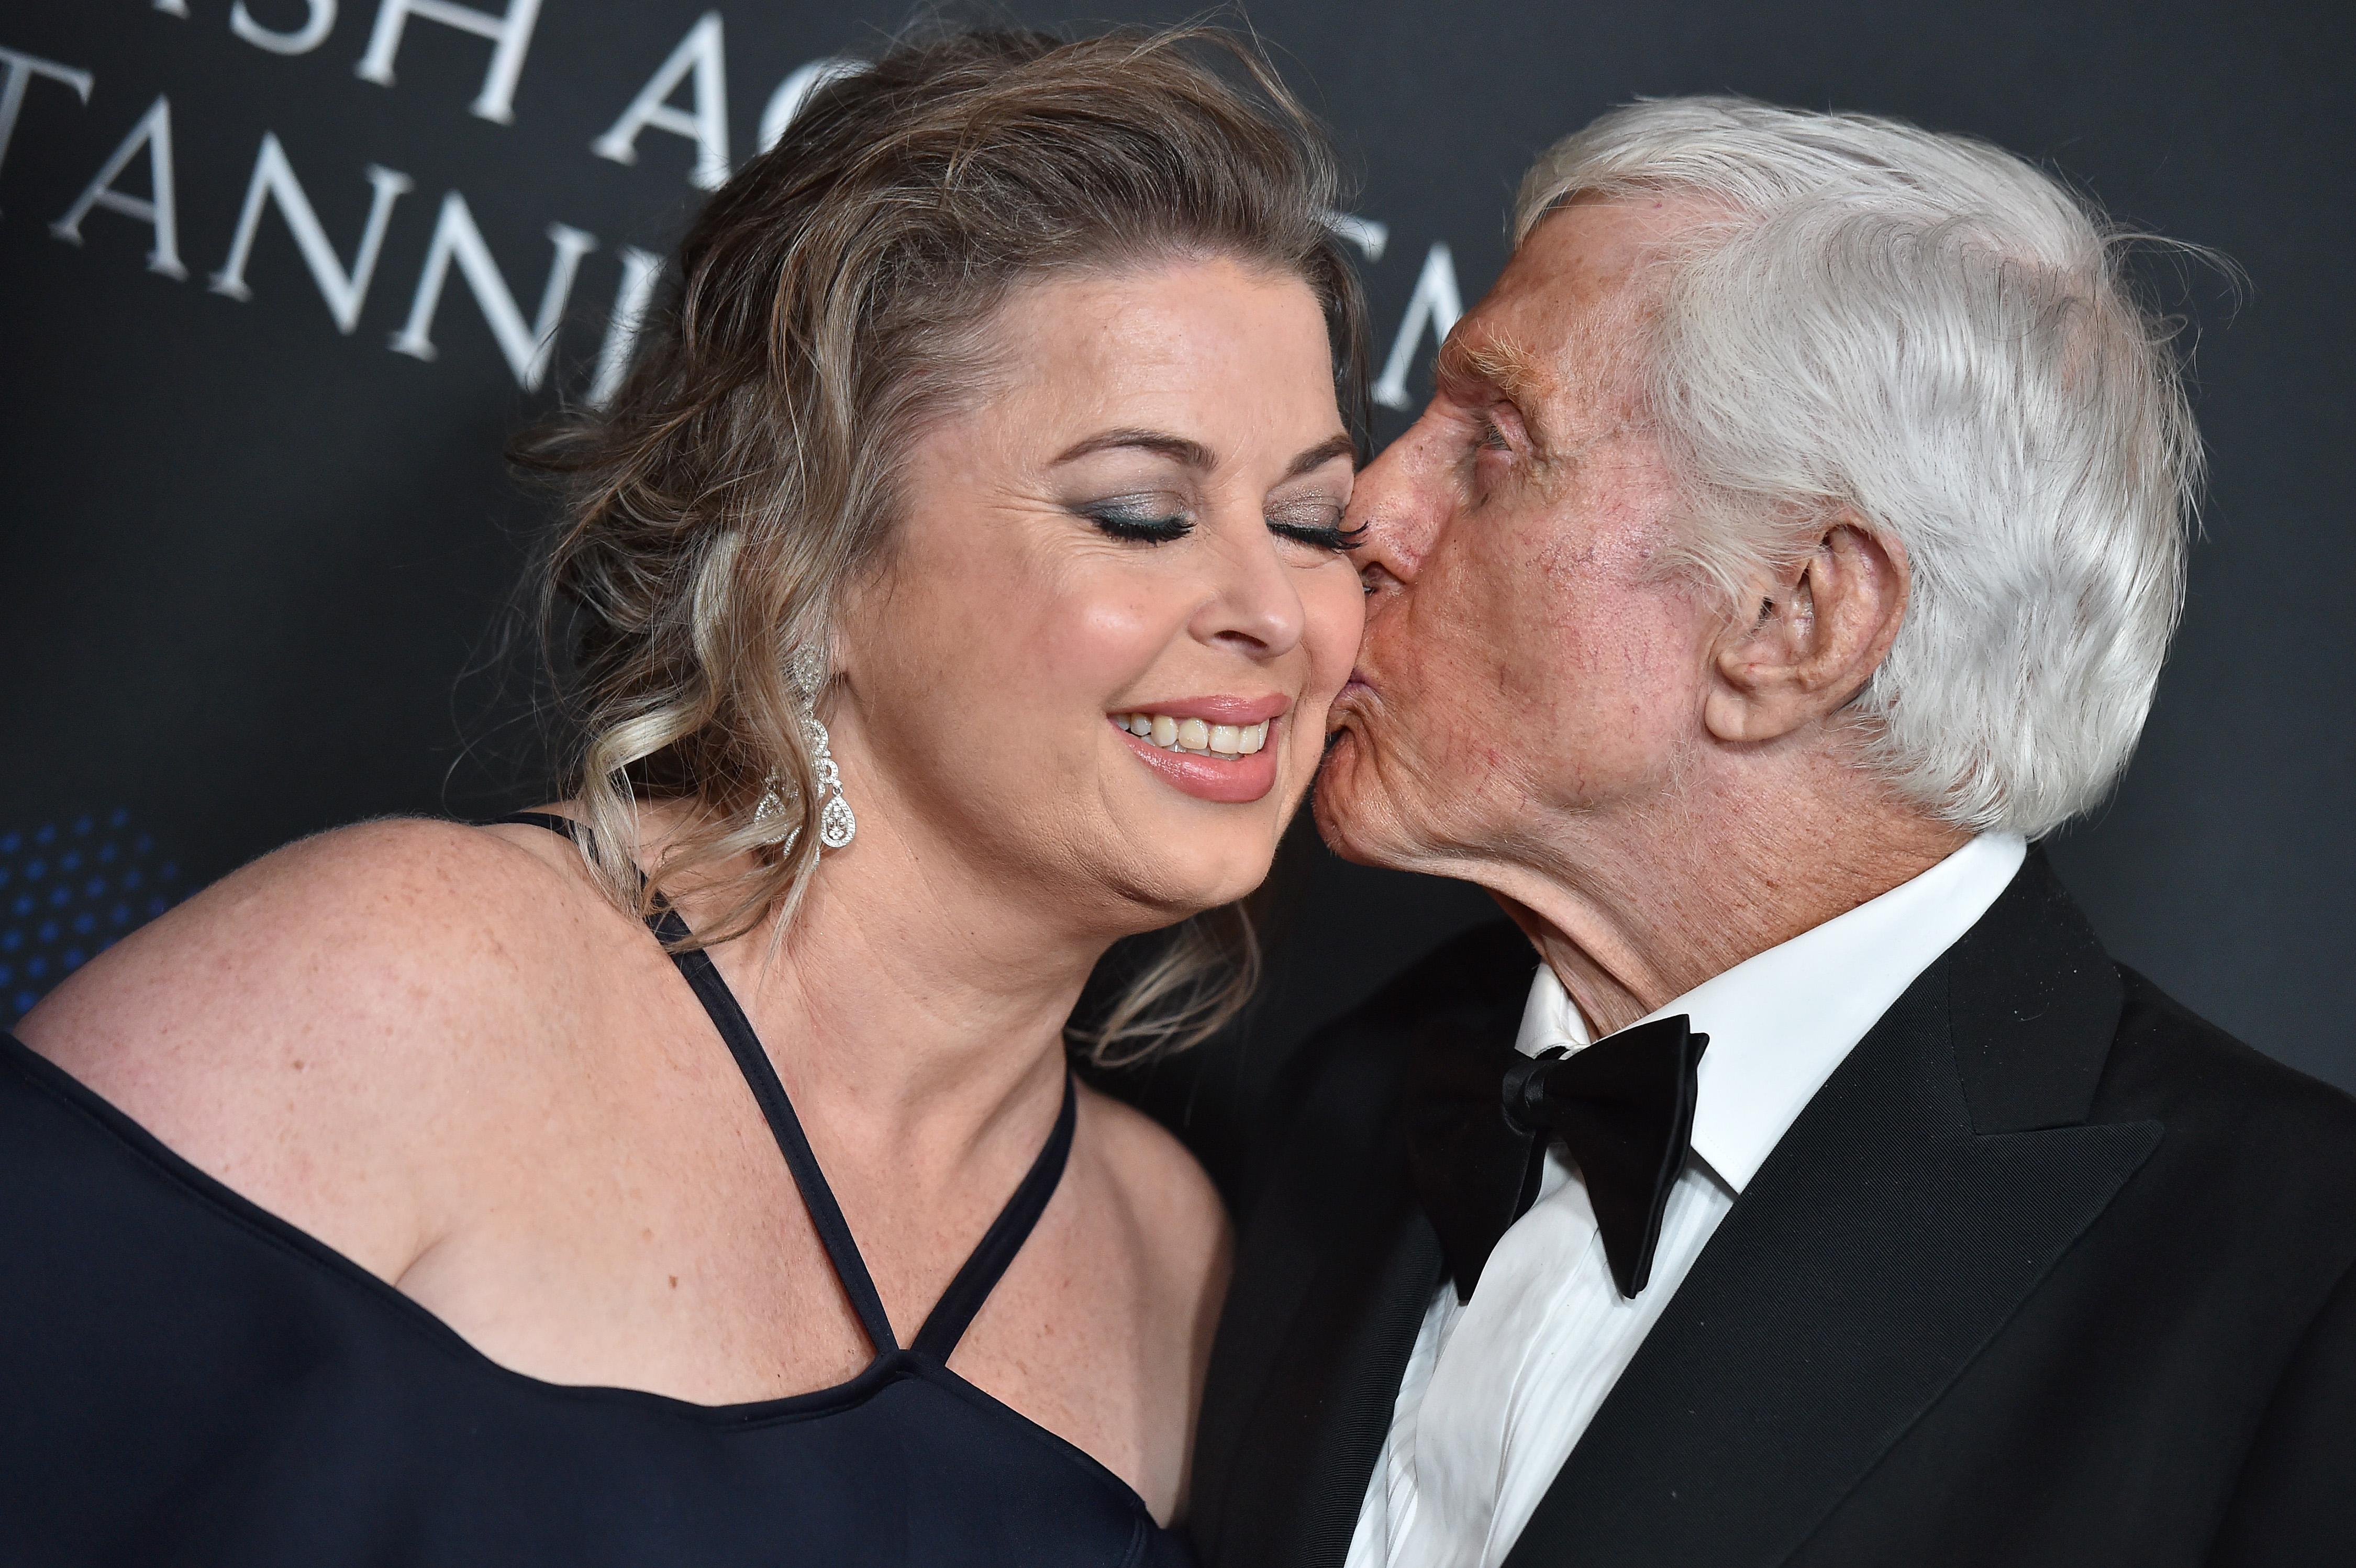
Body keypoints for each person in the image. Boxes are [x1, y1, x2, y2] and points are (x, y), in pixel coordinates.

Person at [1, 26, 1369, 1566]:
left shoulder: (1168, 1251)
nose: (1277, 608)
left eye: (1316, 522)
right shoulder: (398, 985)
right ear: (815, 559)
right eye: (1143, 513)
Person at [1189, 97, 2356, 1567]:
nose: (1368, 504)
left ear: (1792, 618)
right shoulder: (1346, 1099)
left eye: (1491, 443)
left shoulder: (2300, 1294)